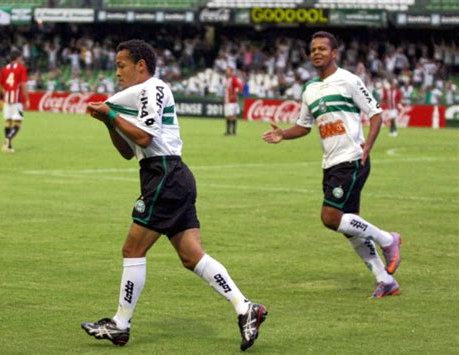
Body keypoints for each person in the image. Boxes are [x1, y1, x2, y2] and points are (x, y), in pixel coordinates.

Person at [81, 39, 267, 351]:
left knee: (132, 250)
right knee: (191, 255)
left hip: (165, 175)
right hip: (170, 176)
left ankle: (120, 324)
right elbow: (128, 152)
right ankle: (246, 308)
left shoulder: (154, 87)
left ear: (141, 65)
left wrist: (112, 116)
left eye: (121, 65)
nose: (117, 73)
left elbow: (145, 136)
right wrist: (108, 123)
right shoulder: (140, 97)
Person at [262, 31, 402, 299]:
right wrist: (283, 134)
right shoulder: (310, 90)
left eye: (322, 49)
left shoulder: (349, 80)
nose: (316, 52)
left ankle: (388, 239)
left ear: (334, 53)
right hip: (330, 164)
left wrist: (368, 145)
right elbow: (303, 127)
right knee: (350, 227)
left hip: (352, 159)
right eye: (313, 49)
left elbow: (375, 114)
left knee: (330, 217)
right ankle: (385, 280)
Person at [0, 49, 29, 153]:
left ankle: (8, 147)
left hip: (7, 99)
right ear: (18, 58)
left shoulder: (3, 69)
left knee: (8, 122)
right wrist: (27, 99)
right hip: (17, 100)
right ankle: (7, 141)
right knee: (18, 123)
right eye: (20, 58)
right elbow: (23, 85)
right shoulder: (21, 68)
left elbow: (0, 85)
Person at [224, 66, 243, 136]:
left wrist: (235, 94)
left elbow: (240, 87)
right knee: (227, 116)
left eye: (228, 71)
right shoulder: (227, 79)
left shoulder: (234, 79)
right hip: (227, 100)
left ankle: (233, 131)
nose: (226, 72)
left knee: (232, 115)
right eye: (226, 71)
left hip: (232, 101)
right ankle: (228, 131)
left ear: (231, 72)